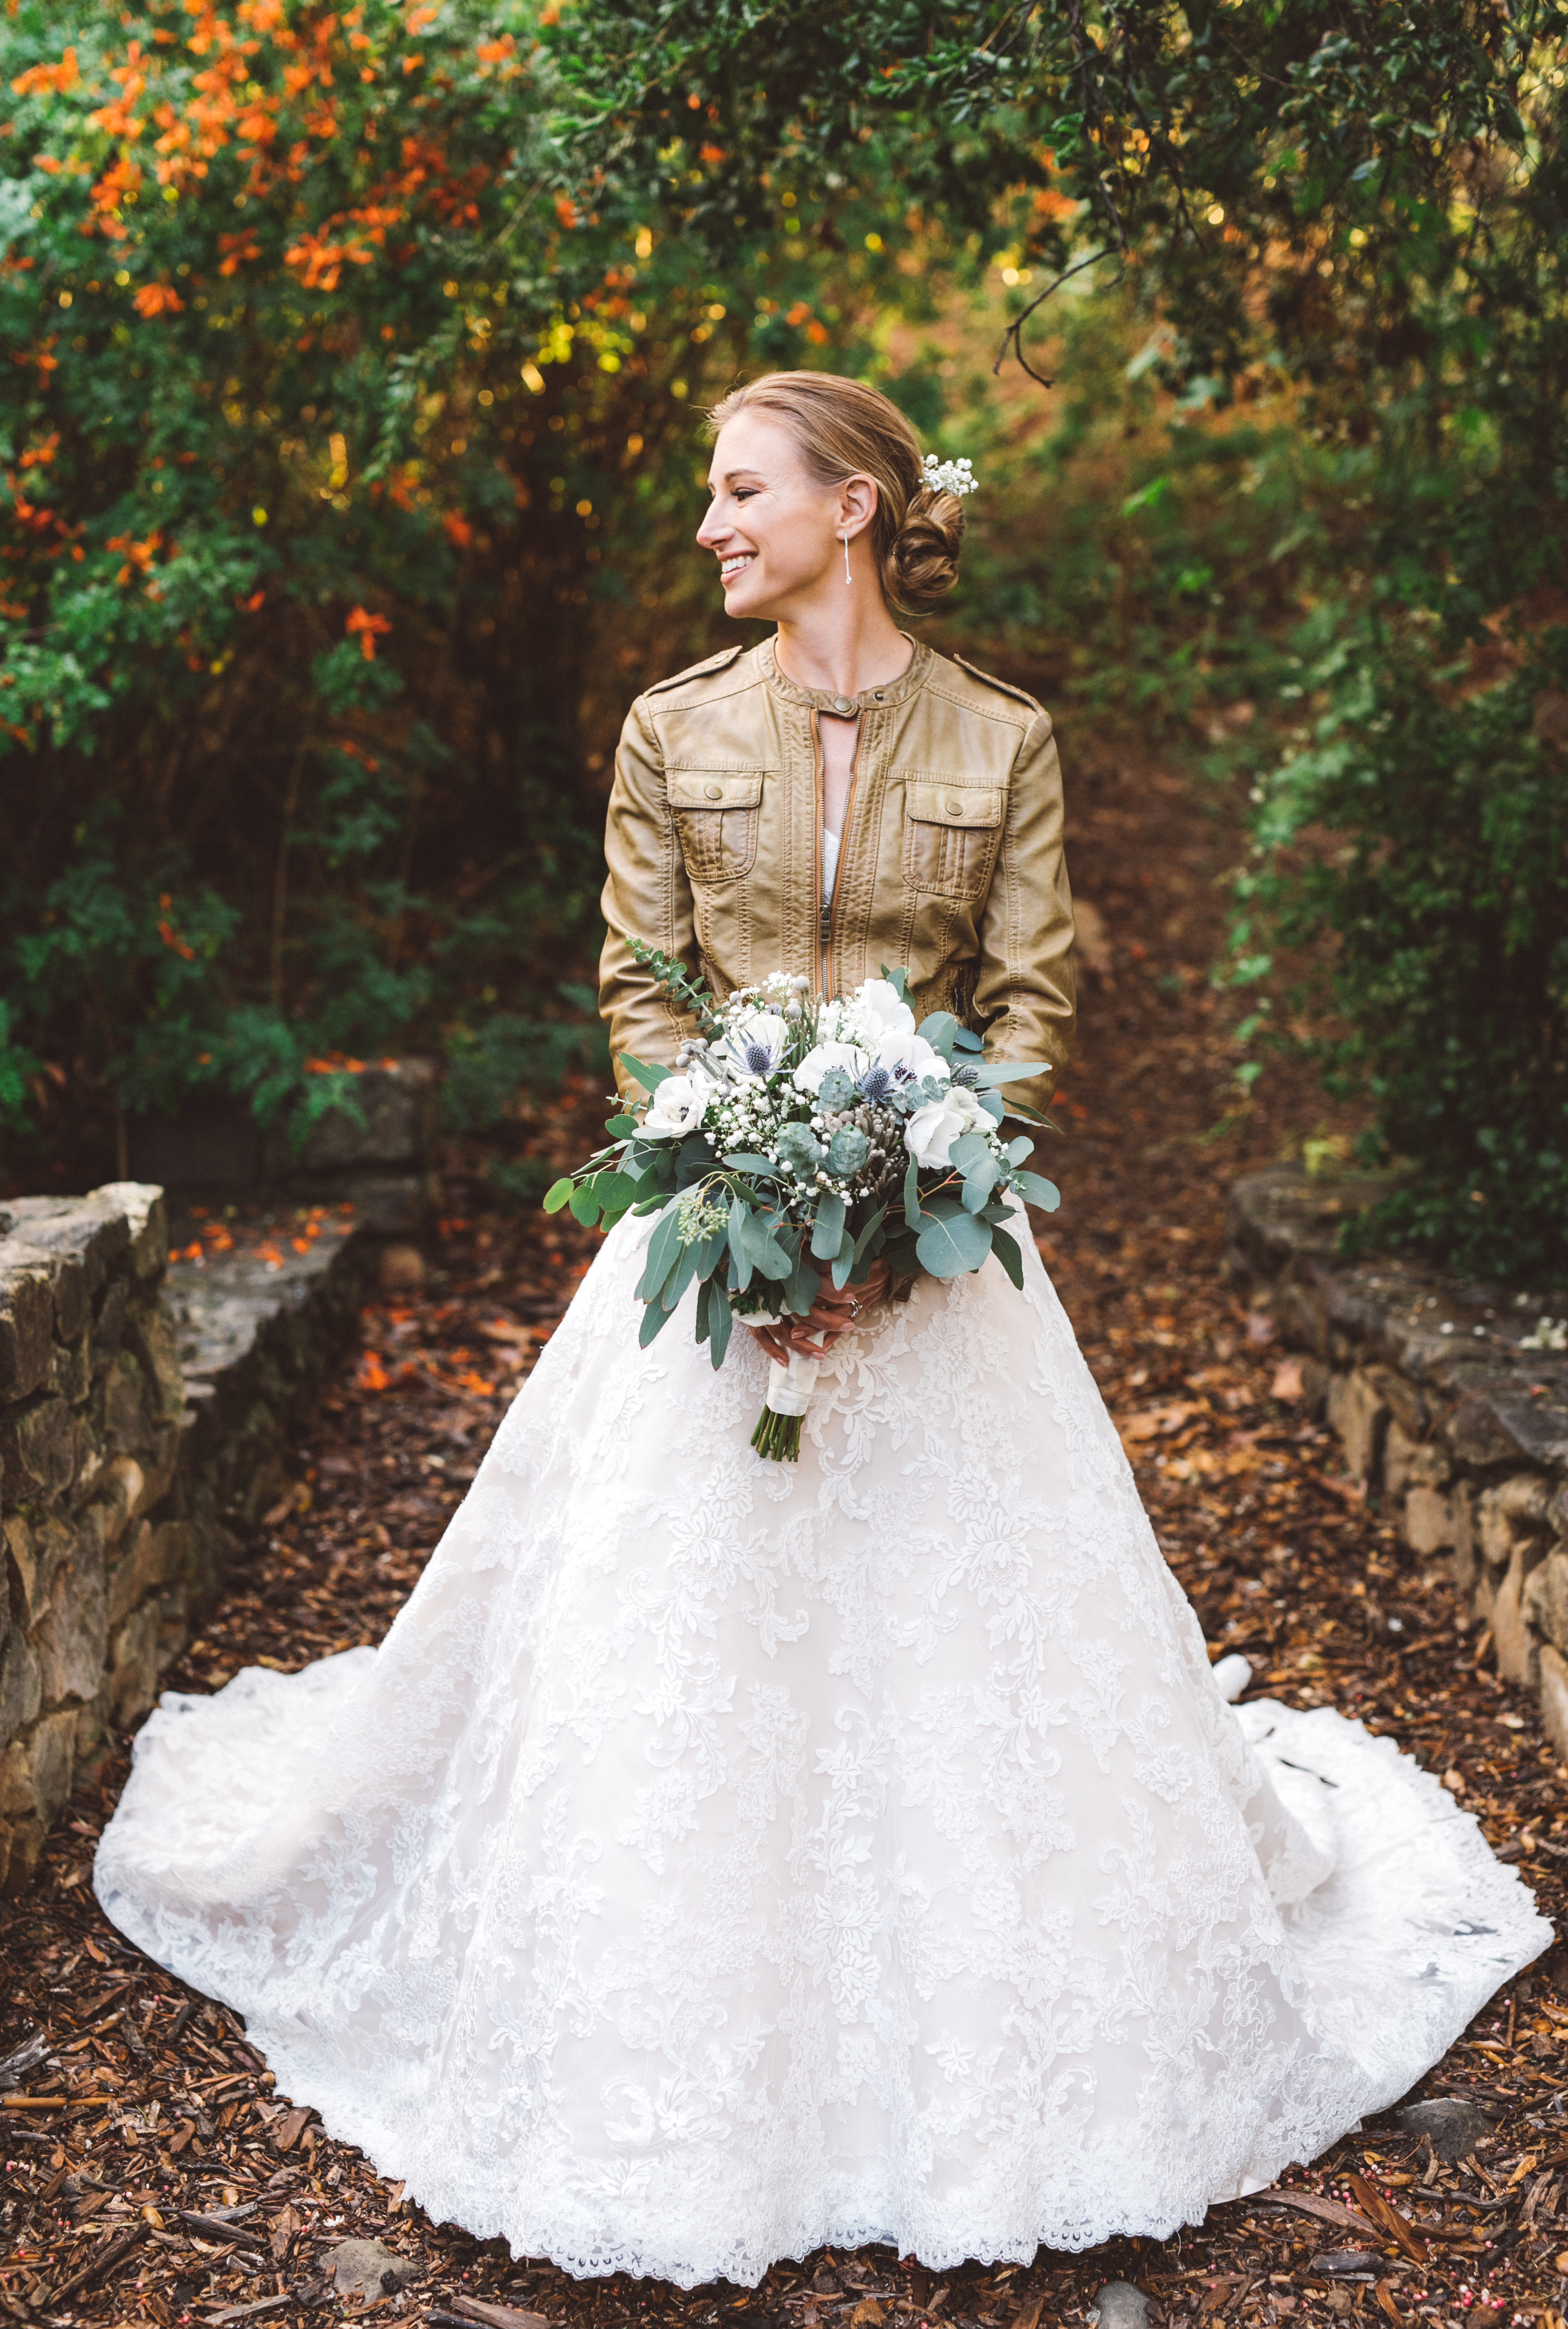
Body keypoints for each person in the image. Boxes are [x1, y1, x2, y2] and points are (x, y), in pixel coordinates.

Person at [95, 371, 1547, 2292]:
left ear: (850, 506)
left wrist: (902, 1199)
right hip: (704, 1262)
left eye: (738, 488)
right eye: (713, 493)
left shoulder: (1004, 739)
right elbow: (634, 978)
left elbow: (1026, 998)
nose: (710, 523)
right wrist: (732, 1179)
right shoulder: (668, 726)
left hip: (941, 1276)